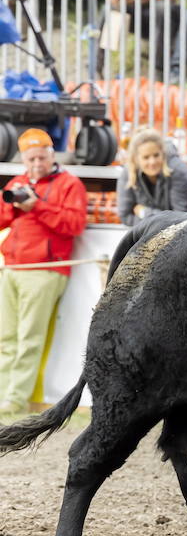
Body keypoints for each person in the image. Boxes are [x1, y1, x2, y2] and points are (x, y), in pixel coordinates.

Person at [0, 129, 87, 420]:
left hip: (45, 270)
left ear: (52, 154)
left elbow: (74, 224)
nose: (36, 163)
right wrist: (13, 205)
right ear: (23, 159)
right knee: (6, 338)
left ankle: (14, 400)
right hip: (13, 267)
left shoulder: (69, 184)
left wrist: (38, 206)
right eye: (30, 158)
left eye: (41, 156)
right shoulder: (18, 182)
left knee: (28, 339)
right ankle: (3, 395)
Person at [117, 129, 187, 226]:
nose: (152, 162)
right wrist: (155, 222)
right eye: (146, 157)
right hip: (145, 235)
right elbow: (125, 215)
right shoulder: (129, 171)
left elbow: (180, 219)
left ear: (162, 153)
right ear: (136, 159)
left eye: (156, 155)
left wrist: (144, 212)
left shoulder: (179, 172)